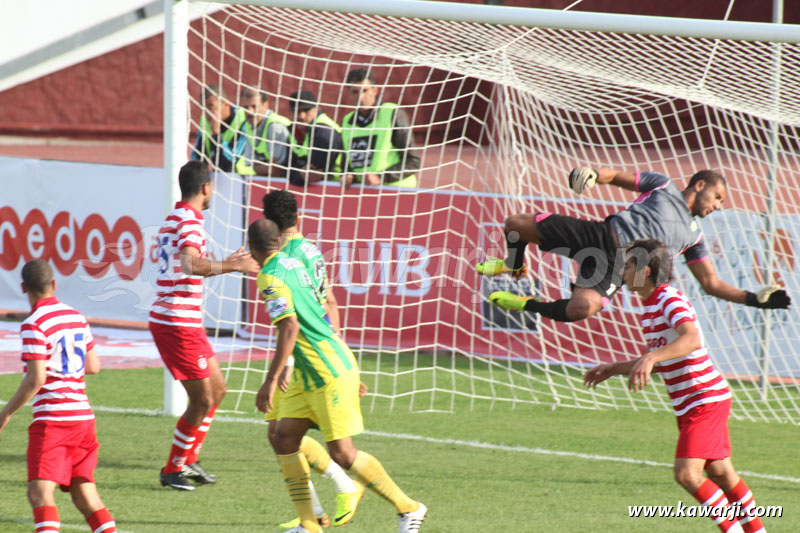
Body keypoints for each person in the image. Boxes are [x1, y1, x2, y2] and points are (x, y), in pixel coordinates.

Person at [248, 218, 427, 533]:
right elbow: (325, 303)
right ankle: (310, 524)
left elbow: (290, 327)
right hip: (312, 371)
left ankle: (409, 508)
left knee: (343, 453)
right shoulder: (294, 262)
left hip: (326, 370)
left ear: (252, 248)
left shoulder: (269, 277)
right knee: (284, 438)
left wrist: (271, 379)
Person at [584, 239, 767, 533]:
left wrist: (651, 357)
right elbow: (661, 358)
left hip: (704, 400)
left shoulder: (669, 298)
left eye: (629, 265)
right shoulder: (651, 305)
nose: (623, 271)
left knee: (687, 475)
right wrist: (613, 369)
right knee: (721, 473)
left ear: (645, 270)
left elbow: (691, 338)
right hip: (692, 404)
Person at [478, 167, 791, 323]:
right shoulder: (663, 185)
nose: (719, 206)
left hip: (617, 266)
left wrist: (753, 299)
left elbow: (710, 283)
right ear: (700, 185)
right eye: (718, 197)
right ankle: (514, 265)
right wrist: (593, 174)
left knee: (581, 308)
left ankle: (524, 304)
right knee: (516, 225)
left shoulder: (695, 238)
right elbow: (616, 176)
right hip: (599, 235)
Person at [150, 160, 259, 490]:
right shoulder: (189, 222)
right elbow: (189, 263)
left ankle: (189, 457)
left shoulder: (177, 216)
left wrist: (231, 263)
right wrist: (234, 265)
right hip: (176, 323)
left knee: (218, 391)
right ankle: (173, 469)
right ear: (206, 189)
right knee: (202, 401)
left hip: (184, 321)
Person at [261, 189, 362, 529]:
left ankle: (339, 492)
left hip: (303, 360)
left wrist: (288, 366)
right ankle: (315, 513)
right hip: (319, 354)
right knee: (281, 436)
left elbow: (303, 316)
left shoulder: (285, 255)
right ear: (298, 217)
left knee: (282, 435)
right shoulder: (311, 250)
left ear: (269, 224)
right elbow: (328, 302)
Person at [0, 260, 117, 533]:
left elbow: (36, 379)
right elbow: (94, 366)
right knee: (85, 496)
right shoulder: (76, 316)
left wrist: (6, 412)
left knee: (39, 494)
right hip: (84, 419)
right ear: (54, 285)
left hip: (54, 420)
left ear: (23, 288)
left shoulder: (33, 323)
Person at [341, 68, 420, 188]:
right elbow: (346, 163)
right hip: (362, 193)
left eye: (365, 90)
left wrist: (381, 177)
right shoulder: (347, 122)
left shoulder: (392, 113)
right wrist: (347, 175)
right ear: (349, 93)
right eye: (355, 92)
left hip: (397, 190)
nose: (361, 97)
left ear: (375, 90)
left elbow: (413, 161)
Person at [287, 89, 344, 186]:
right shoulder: (291, 130)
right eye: (297, 111)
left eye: (306, 110)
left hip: (333, 186)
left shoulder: (324, 132)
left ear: (316, 109)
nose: (301, 116)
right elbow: (285, 167)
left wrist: (298, 174)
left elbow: (315, 175)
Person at [236, 87, 293, 177]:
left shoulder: (275, 127)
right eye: (246, 107)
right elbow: (251, 163)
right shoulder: (248, 125)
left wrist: (260, 166)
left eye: (254, 107)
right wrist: (261, 167)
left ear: (265, 105)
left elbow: (275, 169)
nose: (250, 112)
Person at [191, 84, 247, 173]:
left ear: (226, 104)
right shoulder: (205, 121)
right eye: (203, 107)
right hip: (220, 177)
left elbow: (229, 163)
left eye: (210, 106)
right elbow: (198, 157)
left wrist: (216, 133)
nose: (206, 112)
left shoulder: (243, 119)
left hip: (245, 179)